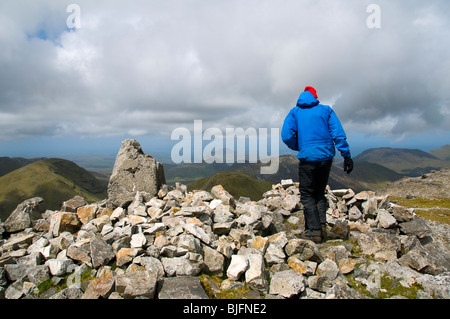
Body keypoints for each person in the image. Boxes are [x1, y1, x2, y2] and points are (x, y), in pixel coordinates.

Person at [281, 86, 353, 243]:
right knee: (319, 193)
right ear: (315, 97)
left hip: (307, 160)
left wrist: (299, 146)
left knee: (307, 195)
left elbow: (286, 136)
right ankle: (321, 228)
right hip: (326, 158)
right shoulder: (326, 110)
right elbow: (338, 134)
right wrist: (346, 156)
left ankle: (314, 232)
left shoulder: (295, 112)